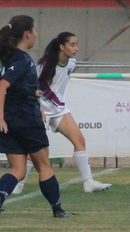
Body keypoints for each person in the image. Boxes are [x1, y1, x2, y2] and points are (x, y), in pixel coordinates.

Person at [0, 15, 68, 219]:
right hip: (26, 121)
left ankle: (0, 197)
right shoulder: (22, 59)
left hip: (11, 123)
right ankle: (58, 209)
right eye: (35, 30)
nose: (36, 35)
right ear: (27, 34)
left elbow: (20, 89)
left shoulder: (12, 59)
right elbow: (2, 86)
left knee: (18, 169)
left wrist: (35, 106)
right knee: (44, 166)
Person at [12, 31, 111, 195]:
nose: (76, 48)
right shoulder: (43, 66)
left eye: (77, 44)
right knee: (35, 152)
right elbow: (29, 85)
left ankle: (88, 182)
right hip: (41, 109)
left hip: (60, 109)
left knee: (79, 141)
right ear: (61, 46)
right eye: (72, 45)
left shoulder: (72, 63)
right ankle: (18, 185)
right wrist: (38, 108)